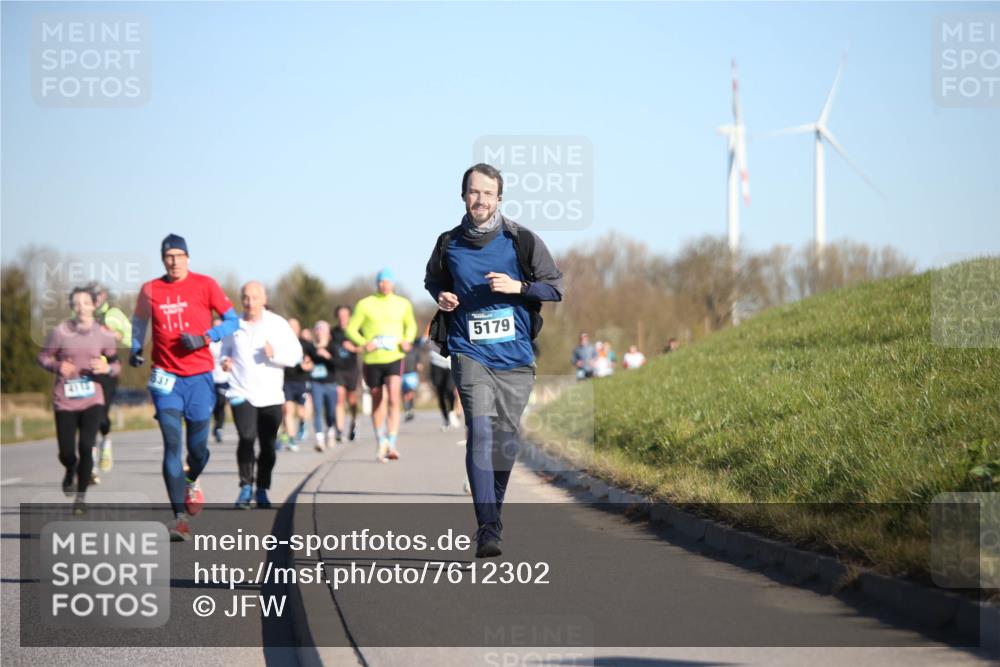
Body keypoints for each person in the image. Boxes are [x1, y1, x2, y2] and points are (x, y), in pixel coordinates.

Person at [424, 163, 564, 558]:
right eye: (473, 191)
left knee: (504, 440)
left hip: (515, 356)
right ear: (463, 195)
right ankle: (486, 526)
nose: (480, 199)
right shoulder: (448, 242)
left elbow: (555, 288)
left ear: (499, 198)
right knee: (480, 432)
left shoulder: (521, 240)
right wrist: (443, 297)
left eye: (487, 192)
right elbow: (434, 279)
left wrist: (519, 286)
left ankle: (494, 516)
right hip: (469, 350)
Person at [130, 234, 239, 542]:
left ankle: (192, 479)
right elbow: (139, 321)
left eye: (179, 255)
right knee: (171, 442)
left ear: (188, 257)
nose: (174, 261)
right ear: (163, 259)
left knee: (198, 450)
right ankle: (179, 518)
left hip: (200, 378)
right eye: (169, 256)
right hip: (165, 379)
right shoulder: (150, 290)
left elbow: (233, 321)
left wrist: (206, 337)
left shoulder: (206, 285)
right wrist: (136, 346)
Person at [37, 287, 121, 514]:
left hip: (92, 399)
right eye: (76, 303)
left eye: (86, 302)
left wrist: (106, 367)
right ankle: (70, 468)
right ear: (71, 307)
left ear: (94, 305)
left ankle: (81, 499)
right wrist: (56, 365)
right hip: (64, 400)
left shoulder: (103, 334)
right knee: (66, 452)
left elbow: (116, 365)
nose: (81, 307)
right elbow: (43, 356)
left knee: (86, 446)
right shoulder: (60, 332)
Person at [220, 282, 303, 509]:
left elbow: (296, 355)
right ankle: (245, 487)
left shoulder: (277, 324)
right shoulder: (233, 324)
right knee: (246, 437)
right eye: (246, 297)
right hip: (240, 390)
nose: (250, 302)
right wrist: (224, 361)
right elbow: (223, 350)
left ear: (264, 299)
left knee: (268, 445)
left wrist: (275, 353)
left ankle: (262, 489)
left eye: (255, 297)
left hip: (270, 395)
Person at [346, 268, 417, 462]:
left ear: (393, 284)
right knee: (377, 399)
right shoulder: (365, 304)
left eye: (388, 282)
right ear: (377, 284)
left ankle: (392, 442)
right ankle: (381, 441)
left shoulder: (403, 304)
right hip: (373, 359)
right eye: (381, 282)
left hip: (394, 356)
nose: (384, 285)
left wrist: (407, 339)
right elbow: (351, 329)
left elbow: (410, 326)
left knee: (394, 397)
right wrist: (363, 343)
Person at [86, 282, 132, 474]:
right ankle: (91, 465)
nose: (93, 300)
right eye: (90, 296)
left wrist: (116, 334)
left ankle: (105, 441)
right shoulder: (80, 316)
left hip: (106, 371)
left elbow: (131, 338)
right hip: (86, 371)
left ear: (103, 296)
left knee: (100, 414)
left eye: (96, 296)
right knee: (87, 415)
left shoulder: (114, 314)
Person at [279, 317, 314, 452]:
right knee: (287, 410)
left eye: (294, 326)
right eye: (289, 326)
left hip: (301, 380)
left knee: (301, 411)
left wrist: (309, 365)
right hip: (286, 380)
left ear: (299, 329)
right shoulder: (281, 343)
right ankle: (291, 439)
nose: (292, 329)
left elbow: (313, 361)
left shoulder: (305, 344)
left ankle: (302, 423)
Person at [330, 305, 361, 442]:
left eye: (345, 315)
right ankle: (339, 430)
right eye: (340, 315)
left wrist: (354, 348)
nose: (342, 318)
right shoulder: (333, 332)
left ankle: (354, 422)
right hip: (338, 370)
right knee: (339, 398)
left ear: (350, 317)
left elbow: (366, 347)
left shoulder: (355, 331)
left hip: (352, 369)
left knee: (352, 399)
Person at [308, 320, 338, 451]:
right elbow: (304, 361)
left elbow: (339, 364)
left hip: (330, 383)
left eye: (323, 329)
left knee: (330, 412)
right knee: (317, 410)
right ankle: (319, 440)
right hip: (316, 383)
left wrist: (327, 356)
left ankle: (330, 431)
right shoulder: (310, 347)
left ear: (328, 332)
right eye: (318, 329)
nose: (320, 332)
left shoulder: (333, 347)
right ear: (315, 332)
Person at [425, 327, 461, 431]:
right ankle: (445, 419)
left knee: (449, 389)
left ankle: (451, 412)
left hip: (450, 363)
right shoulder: (433, 322)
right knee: (440, 392)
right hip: (436, 363)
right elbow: (425, 339)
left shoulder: (455, 318)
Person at [209, 317, 230, 443]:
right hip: (210, 377)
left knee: (221, 402)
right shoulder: (208, 342)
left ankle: (219, 427)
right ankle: (215, 425)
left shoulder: (227, 341)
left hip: (224, 378)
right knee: (212, 404)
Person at [401, 343, 422, 422]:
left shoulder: (415, 351)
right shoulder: (401, 351)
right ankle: (406, 410)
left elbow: (419, 363)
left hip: (412, 374)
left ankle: (411, 408)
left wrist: (419, 366)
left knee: (410, 392)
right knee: (404, 394)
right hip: (403, 374)